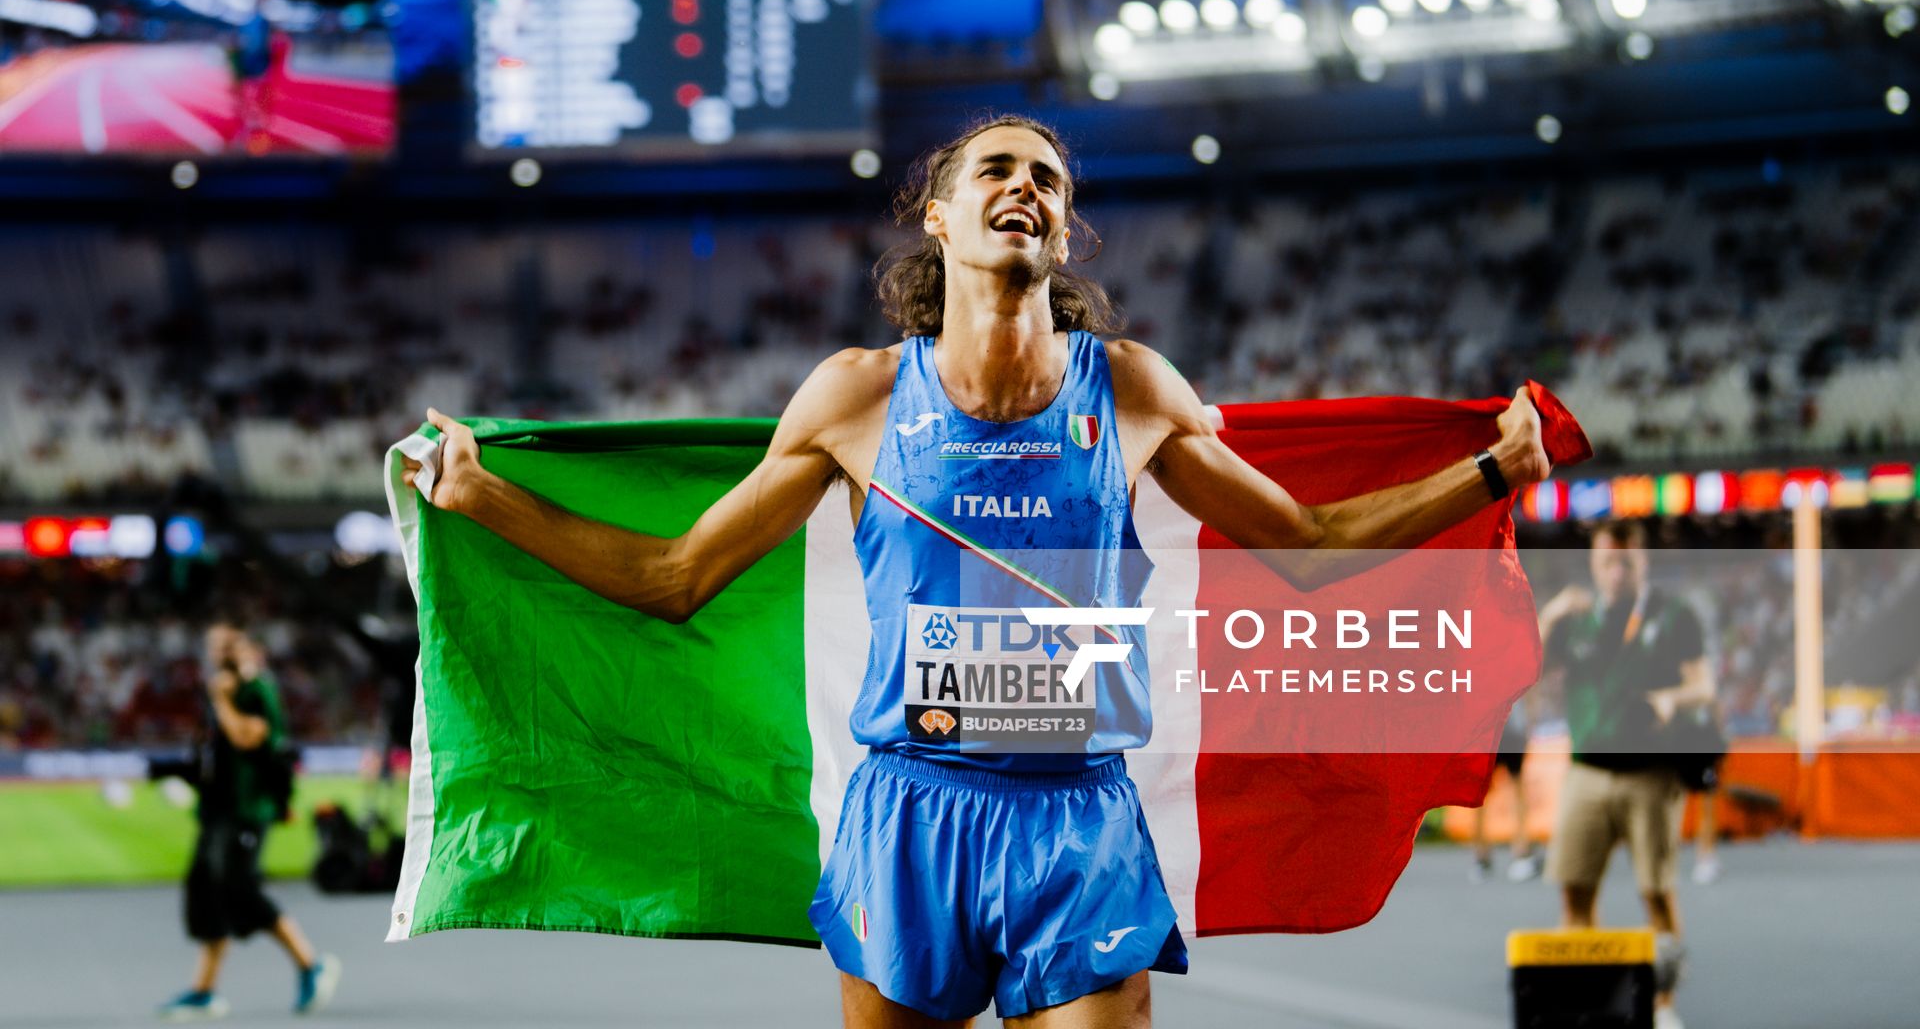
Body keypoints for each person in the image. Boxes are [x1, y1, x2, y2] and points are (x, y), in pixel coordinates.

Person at [404, 114, 1553, 1029]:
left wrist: (1492, 471)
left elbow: (1304, 543)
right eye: (998, 170)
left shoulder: (1137, 388)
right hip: (911, 815)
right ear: (940, 220)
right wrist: (485, 496)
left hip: (1083, 818)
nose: (1029, 188)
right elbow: (676, 574)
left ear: (1065, 232)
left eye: (1050, 180)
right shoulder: (854, 397)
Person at [1538, 521, 1716, 1029]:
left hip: (1651, 776)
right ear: (1594, 565)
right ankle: (1586, 998)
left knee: (1656, 893)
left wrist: (1669, 699)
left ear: (1644, 563)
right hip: (1586, 773)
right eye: (1607, 562)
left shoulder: (1675, 616)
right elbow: (1524, 667)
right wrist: (1549, 615)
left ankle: (1664, 1006)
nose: (1616, 572)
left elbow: (1702, 687)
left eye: (1627, 562)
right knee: (1574, 891)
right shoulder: (1575, 619)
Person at [156, 623, 342, 1021]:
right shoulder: (222, 692)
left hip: (246, 810)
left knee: (240, 889)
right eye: (211, 645)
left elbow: (247, 738)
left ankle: (311, 964)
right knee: (206, 891)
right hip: (218, 809)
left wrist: (221, 701)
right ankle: (204, 991)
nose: (215, 652)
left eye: (224, 644)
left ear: (245, 648)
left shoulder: (255, 691)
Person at [1470, 696, 1542, 883]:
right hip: (1497, 729)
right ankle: (1488, 854)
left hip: (1502, 729)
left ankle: (1514, 852)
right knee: (1482, 793)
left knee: (1487, 792)